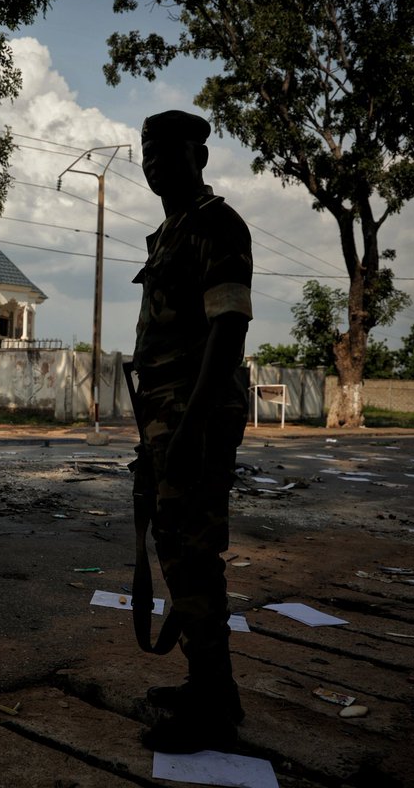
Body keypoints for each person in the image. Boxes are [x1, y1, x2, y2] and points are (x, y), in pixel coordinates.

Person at [131, 109, 253, 753]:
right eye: (145, 154)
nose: (153, 164)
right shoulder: (168, 233)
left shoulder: (217, 226)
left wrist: (192, 427)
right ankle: (210, 686)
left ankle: (212, 705)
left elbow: (227, 331)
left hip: (193, 417)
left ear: (198, 156)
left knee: (194, 554)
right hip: (163, 416)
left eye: (166, 152)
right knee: (176, 549)